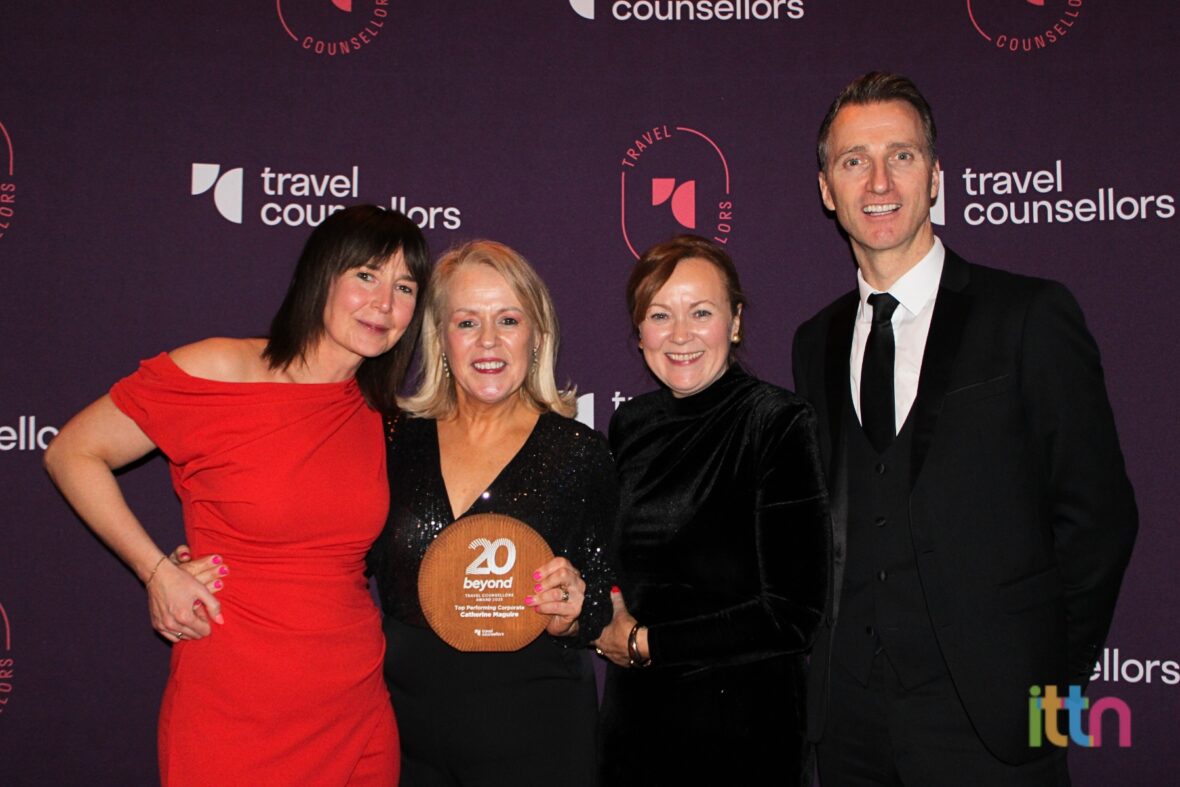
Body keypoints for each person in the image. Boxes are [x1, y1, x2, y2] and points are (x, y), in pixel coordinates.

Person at [793, 72, 1139, 785]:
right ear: (827, 188)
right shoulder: (814, 340)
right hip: (848, 723)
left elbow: (1100, 518)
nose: (879, 181)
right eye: (855, 160)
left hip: (998, 721)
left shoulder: (1029, 316)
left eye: (902, 155)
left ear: (936, 177)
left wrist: (1051, 689)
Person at [43, 205, 431, 786]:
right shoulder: (220, 369)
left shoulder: (381, 416)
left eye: (404, 287)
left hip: (356, 706)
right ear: (321, 276)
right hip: (235, 705)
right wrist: (156, 572)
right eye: (366, 275)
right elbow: (72, 452)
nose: (384, 303)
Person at [365, 239, 616, 787]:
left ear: (537, 335)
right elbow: (332, 558)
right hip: (405, 741)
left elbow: (599, 597)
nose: (488, 341)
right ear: (440, 337)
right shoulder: (393, 441)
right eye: (466, 322)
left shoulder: (579, 453)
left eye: (508, 319)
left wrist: (574, 609)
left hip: (536, 739)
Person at [594, 235, 830, 786]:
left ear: (736, 322)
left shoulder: (776, 422)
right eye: (660, 315)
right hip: (635, 729)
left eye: (701, 312)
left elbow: (792, 614)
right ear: (640, 332)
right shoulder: (630, 425)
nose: (680, 335)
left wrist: (645, 644)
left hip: (743, 735)